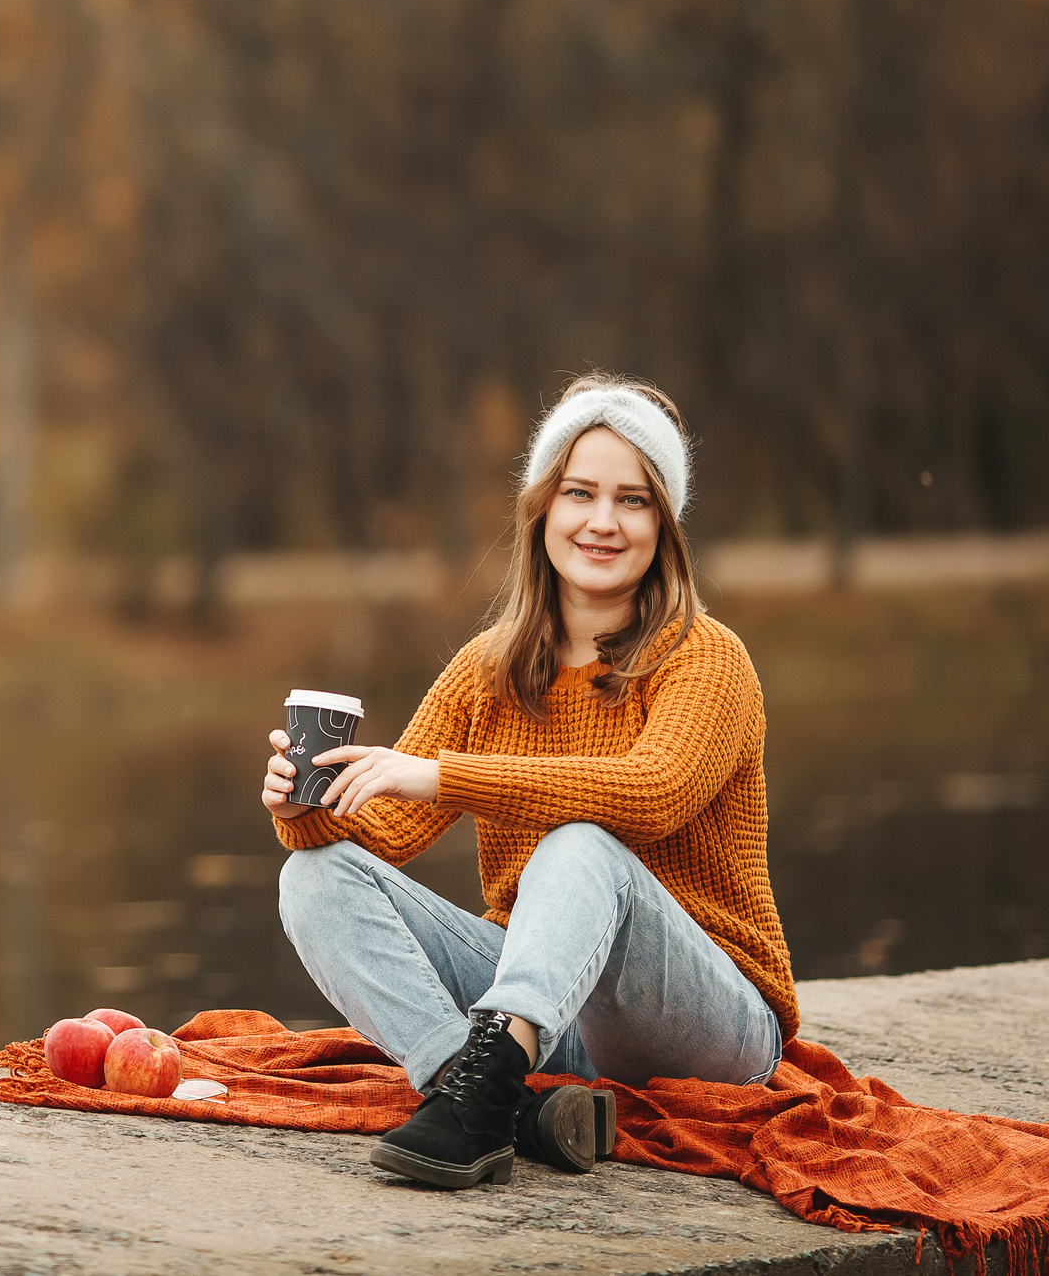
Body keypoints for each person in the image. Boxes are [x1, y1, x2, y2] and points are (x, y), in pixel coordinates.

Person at [261, 374, 794, 1190]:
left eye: (634, 500)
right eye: (580, 492)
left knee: (582, 842)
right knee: (314, 879)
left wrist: (438, 776)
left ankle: (487, 1086)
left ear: (666, 525)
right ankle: (484, 1102)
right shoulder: (486, 672)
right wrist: (304, 802)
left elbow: (648, 793)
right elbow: (386, 837)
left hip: (711, 1021)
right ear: (544, 508)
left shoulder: (705, 656)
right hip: (553, 1016)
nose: (603, 521)